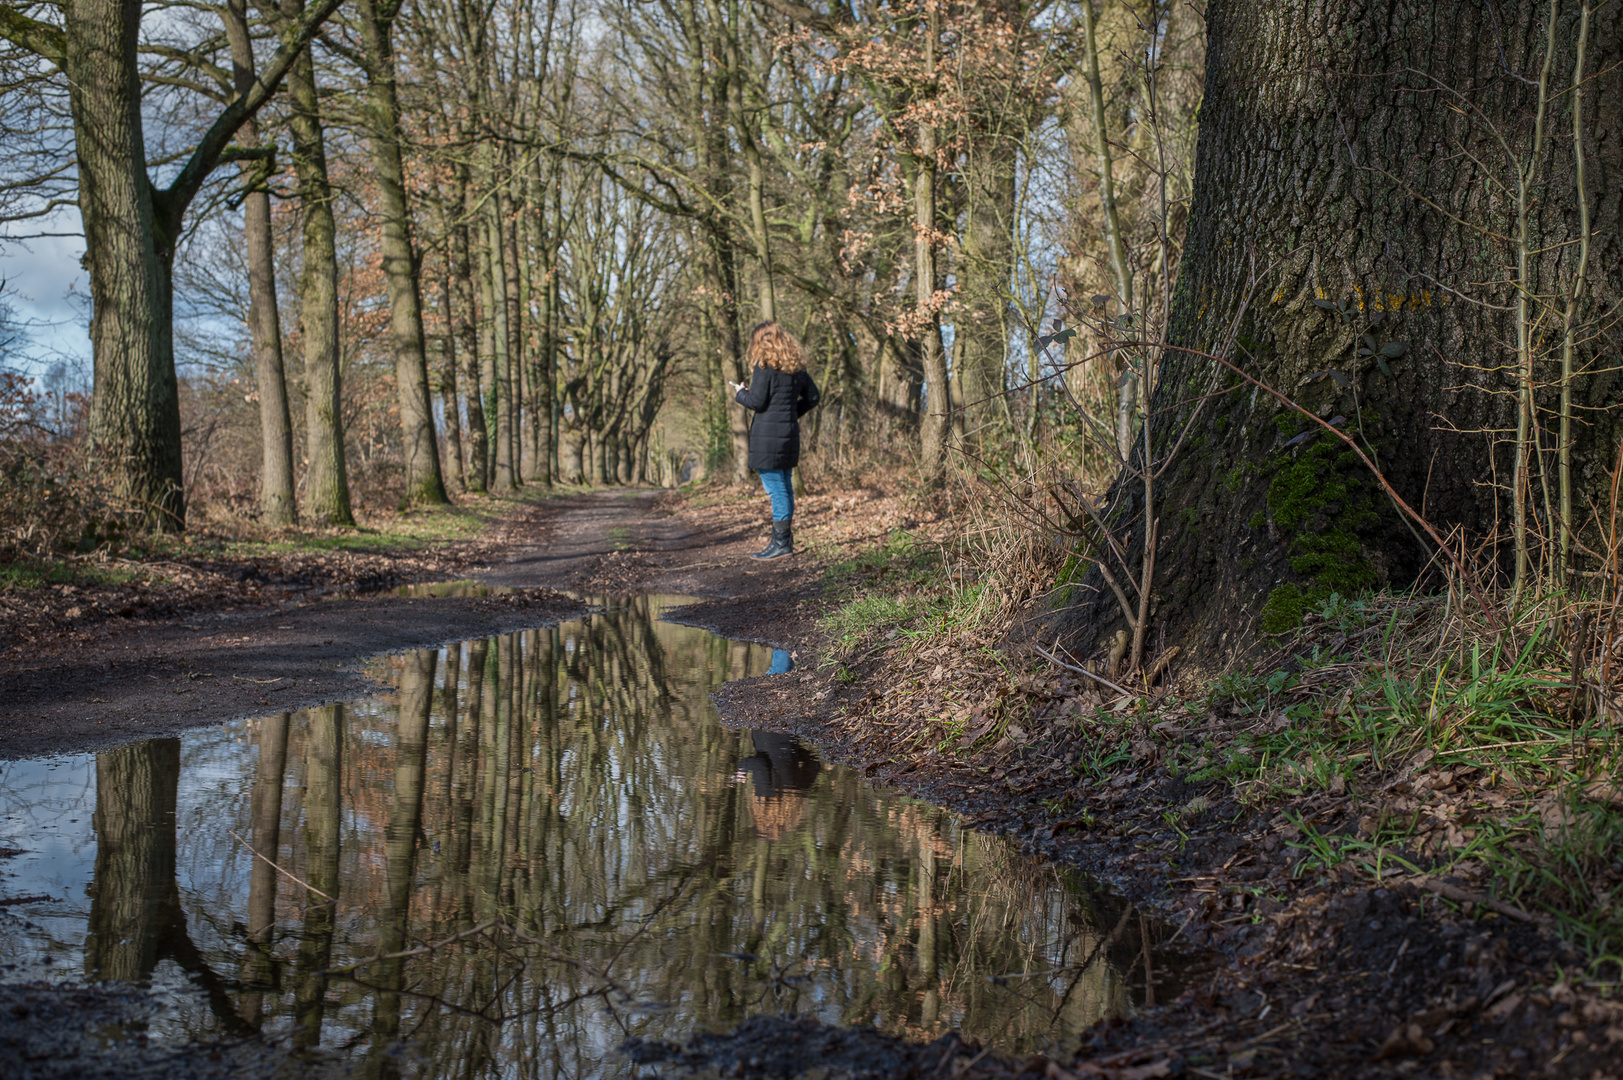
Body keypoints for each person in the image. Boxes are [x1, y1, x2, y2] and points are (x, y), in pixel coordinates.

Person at [730, 321, 820, 560]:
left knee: (777, 489)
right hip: (789, 435)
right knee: (786, 487)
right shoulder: (797, 368)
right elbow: (813, 397)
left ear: (760, 342)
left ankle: (781, 544)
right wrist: (791, 413)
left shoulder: (764, 366)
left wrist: (741, 393)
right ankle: (783, 542)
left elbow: (757, 402)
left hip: (767, 439)